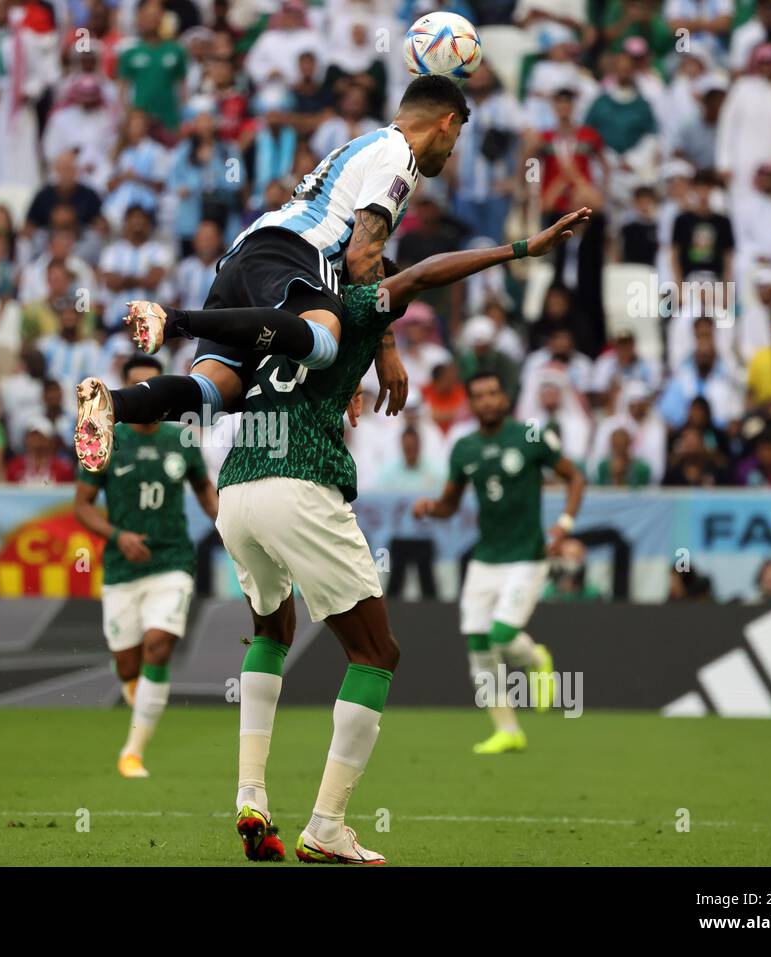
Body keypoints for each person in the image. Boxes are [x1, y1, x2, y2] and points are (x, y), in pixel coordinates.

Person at [134, 207, 589, 862]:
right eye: (374, 252)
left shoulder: (285, 310)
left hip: (236, 487)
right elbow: (424, 276)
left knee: (271, 631)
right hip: (300, 484)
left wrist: (381, 349)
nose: (378, 261)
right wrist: (520, 248)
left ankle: (251, 793)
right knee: (377, 652)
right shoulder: (353, 302)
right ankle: (327, 824)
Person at [74, 75, 476, 472]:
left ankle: (112, 403)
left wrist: (352, 371)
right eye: (454, 143)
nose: (450, 153)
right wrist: (384, 350)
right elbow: (362, 256)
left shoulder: (366, 145)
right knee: (322, 344)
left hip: (246, 255)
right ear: (448, 122)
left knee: (214, 395)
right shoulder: (399, 156)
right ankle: (175, 319)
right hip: (295, 251)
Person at [413, 368, 586, 755]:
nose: (488, 400)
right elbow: (451, 503)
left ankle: (537, 657)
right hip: (486, 558)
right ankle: (508, 730)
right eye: (479, 395)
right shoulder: (464, 448)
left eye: (494, 393)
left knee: (502, 636)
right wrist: (431, 508)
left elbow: (575, 477)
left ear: (504, 399)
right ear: (471, 403)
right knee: (478, 644)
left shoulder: (529, 437)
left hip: (527, 555)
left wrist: (565, 523)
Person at [72, 356, 218, 778]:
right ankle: (144, 704)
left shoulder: (183, 440)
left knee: (159, 644)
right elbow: (82, 506)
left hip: (172, 558)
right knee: (128, 665)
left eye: (153, 388)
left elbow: (205, 492)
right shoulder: (105, 438)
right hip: (121, 567)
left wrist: (226, 524)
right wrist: (118, 536)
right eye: (137, 388)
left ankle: (132, 751)